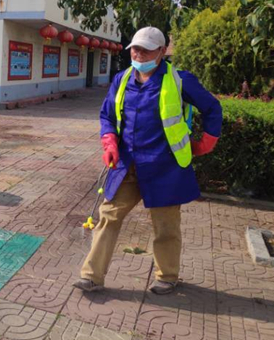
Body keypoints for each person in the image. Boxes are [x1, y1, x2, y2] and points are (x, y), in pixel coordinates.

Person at [73, 27, 222, 295]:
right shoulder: (122, 79)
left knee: (165, 226)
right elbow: (107, 115)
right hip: (127, 165)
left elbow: (212, 108)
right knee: (108, 216)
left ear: (162, 52)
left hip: (164, 167)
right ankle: (91, 276)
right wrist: (109, 142)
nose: (138, 54)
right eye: (135, 48)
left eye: (146, 50)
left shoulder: (180, 80)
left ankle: (168, 276)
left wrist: (206, 142)